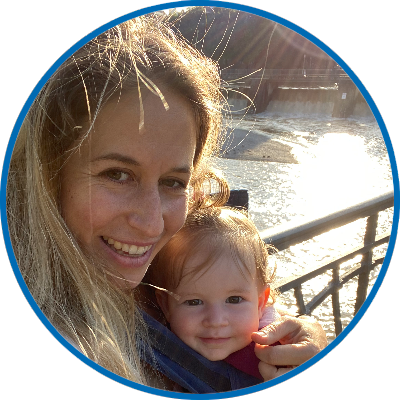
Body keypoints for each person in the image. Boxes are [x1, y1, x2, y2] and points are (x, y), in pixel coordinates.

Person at [6, 12, 327, 391]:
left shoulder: (176, 251)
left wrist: (296, 334)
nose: (153, 223)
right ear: (46, 173)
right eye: (117, 174)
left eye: (173, 182)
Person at [143, 206, 281, 382]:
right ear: (165, 305)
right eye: (194, 302)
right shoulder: (153, 353)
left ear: (261, 303)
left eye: (234, 299)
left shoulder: (282, 356)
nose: (216, 321)